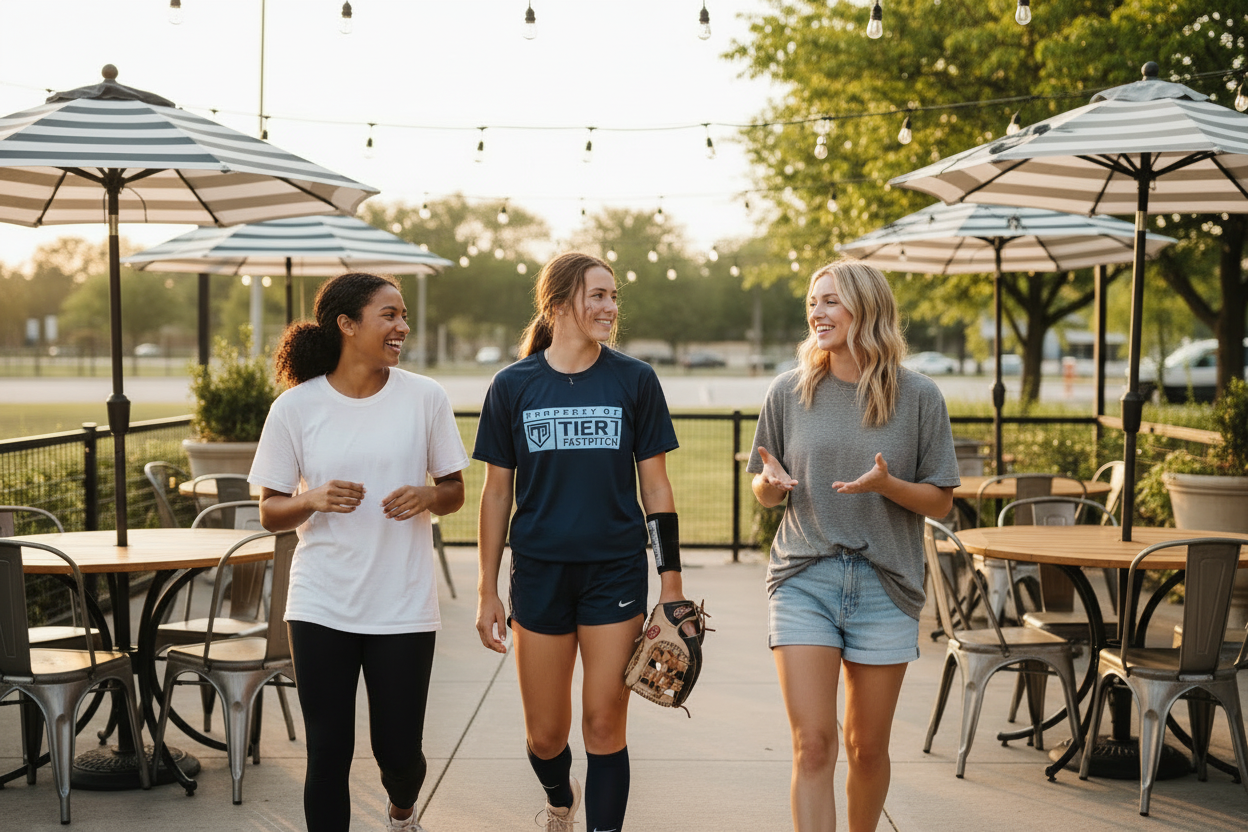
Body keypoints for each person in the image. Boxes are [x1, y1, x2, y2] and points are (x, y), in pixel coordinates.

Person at [473, 251, 690, 832]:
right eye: (598, 295)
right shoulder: (512, 385)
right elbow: (496, 495)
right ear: (558, 301)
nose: (610, 307)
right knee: (545, 736)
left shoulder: (635, 379)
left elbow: (657, 486)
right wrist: (486, 590)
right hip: (540, 574)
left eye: (613, 296)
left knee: (602, 724)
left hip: (614, 573)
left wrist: (671, 583)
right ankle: (558, 797)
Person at [249, 272, 469, 832]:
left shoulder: (425, 397)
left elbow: (454, 492)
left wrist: (425, 495)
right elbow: (269, 511)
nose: (403, 326)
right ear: (347, 325)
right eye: (389, 315)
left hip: (403, 603)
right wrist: (313, 499)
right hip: (322, 602)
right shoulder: (295, 407)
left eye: (402, 315)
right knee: (328, 753)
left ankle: (401, 808)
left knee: (397, 752)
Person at [747, 259, 960, 832]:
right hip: (804, 578)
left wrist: (890, 485)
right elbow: (764, 491)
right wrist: (769, 485)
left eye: (831, 301)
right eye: (813, 302)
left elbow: (941, 502)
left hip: (884, 584)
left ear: (867, 308)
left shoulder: (919, 396)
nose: (818, 312)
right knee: (813, 746)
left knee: (867, 749)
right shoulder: (788, 392)